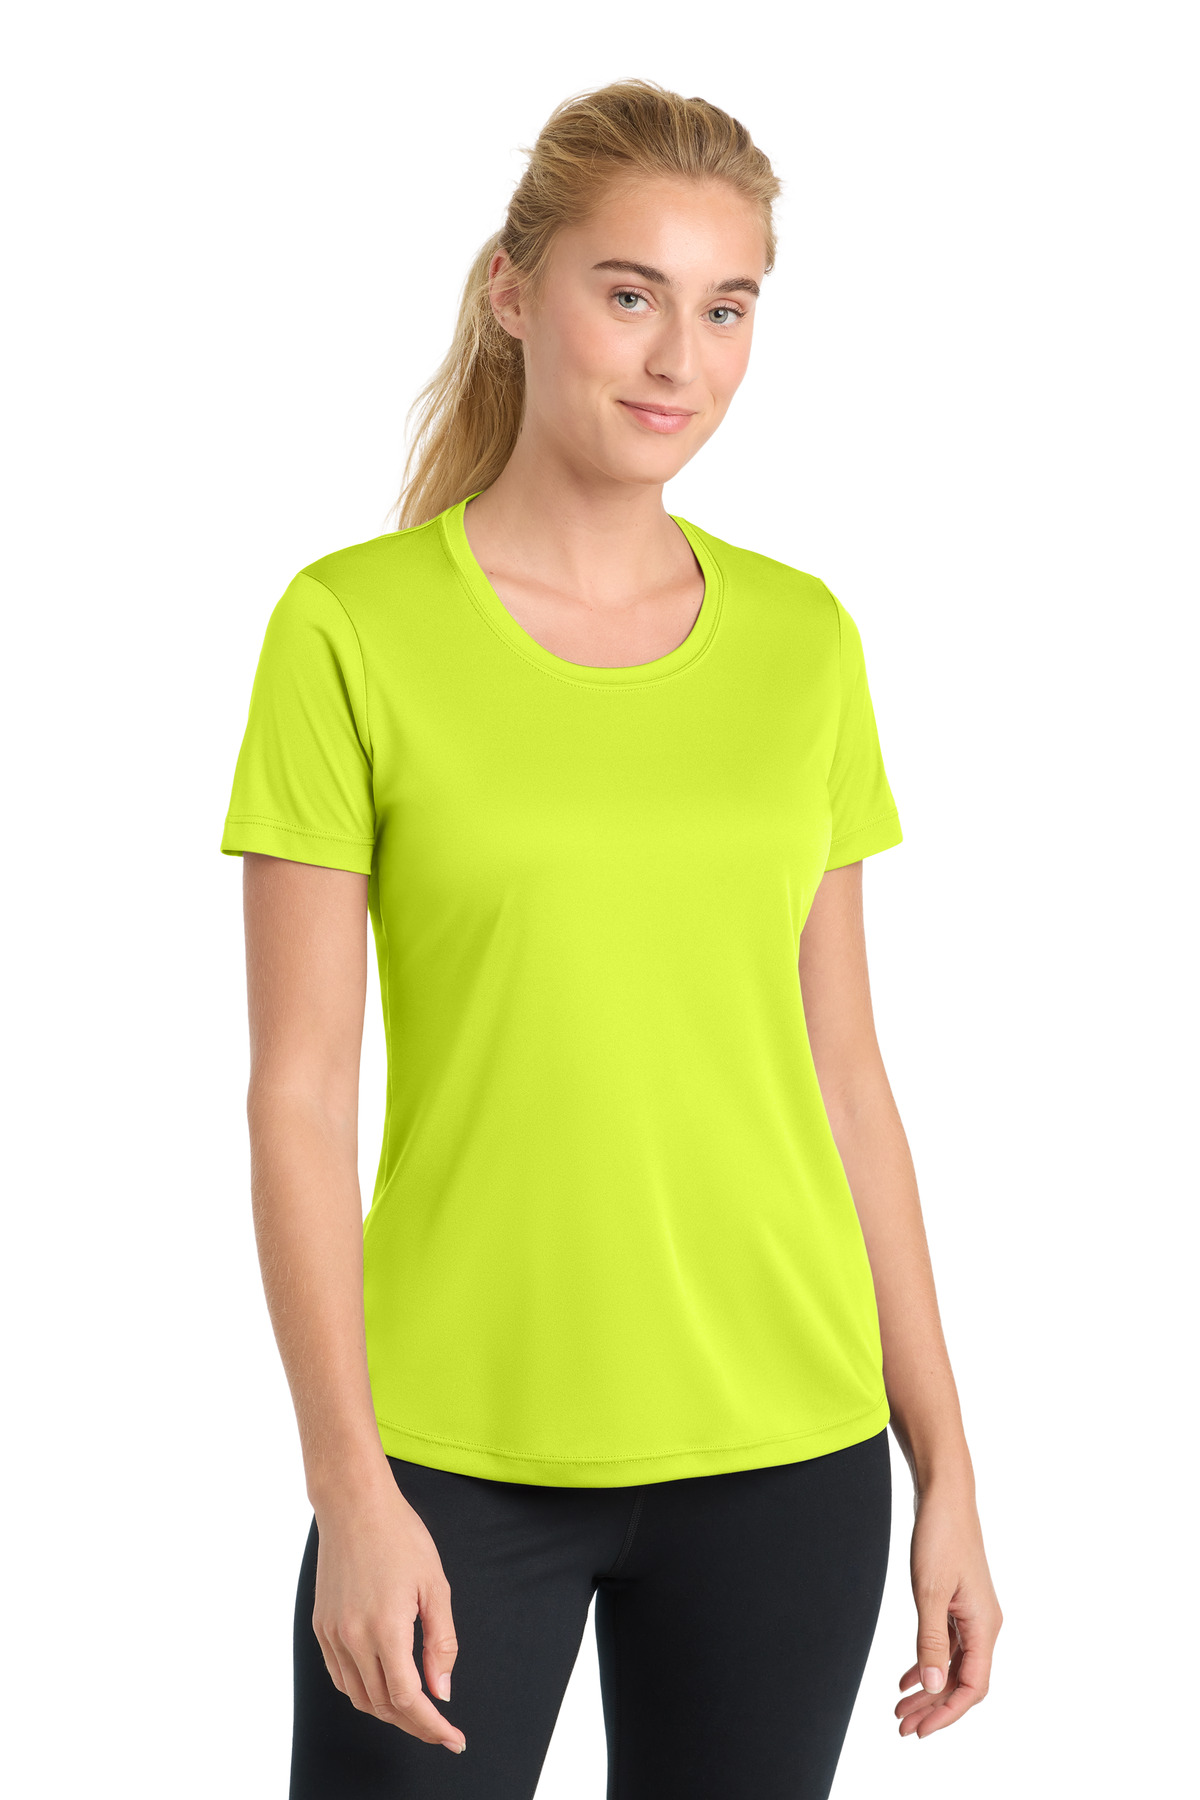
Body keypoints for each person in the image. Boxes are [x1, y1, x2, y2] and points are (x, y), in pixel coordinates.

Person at [219, 78, 1002, 1800]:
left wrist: (945, 1461)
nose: (678, 359)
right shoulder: (349, 630)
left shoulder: (803, 643)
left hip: (788, 1454)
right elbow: (298, 1094)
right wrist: (350, 1488)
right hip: (449, 1460)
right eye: (630, 292)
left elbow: (847, 1075)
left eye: (727, 308)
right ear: (515, 291)